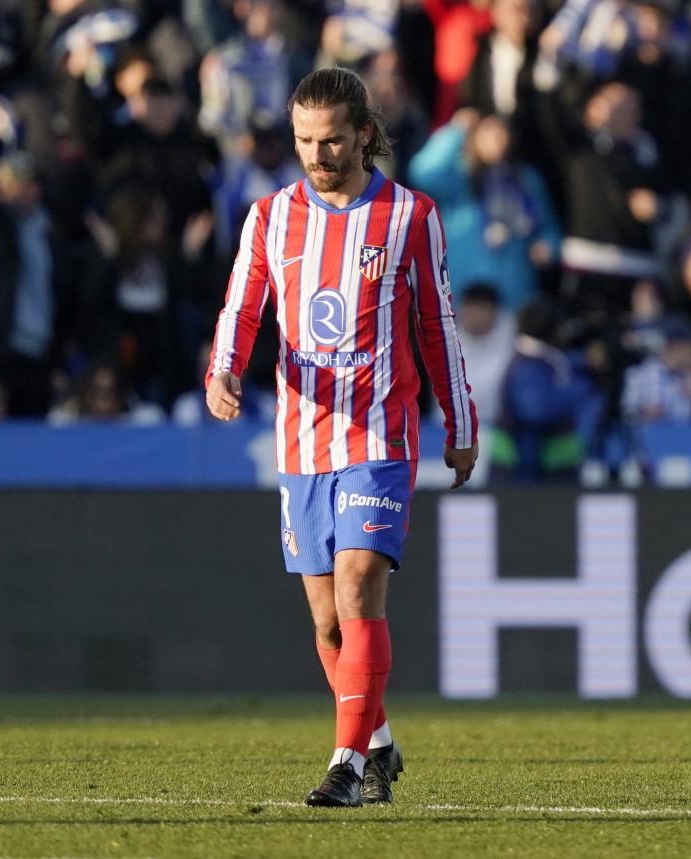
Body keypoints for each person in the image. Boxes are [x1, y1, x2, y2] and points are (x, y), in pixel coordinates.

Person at [205, 67, 479, 807]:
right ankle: (378, 741)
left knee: (359, 584)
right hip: (302, 439)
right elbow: (242, 307)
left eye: (330, 140)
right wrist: (224, 370)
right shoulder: (269, 217)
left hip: (381, 435)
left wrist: (459, 419)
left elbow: (437, 323)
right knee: (329, 623)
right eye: (304, 140)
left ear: (363, 135)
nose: (316, 154)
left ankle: (347, 766)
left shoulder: (410, 215)